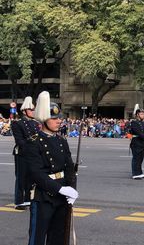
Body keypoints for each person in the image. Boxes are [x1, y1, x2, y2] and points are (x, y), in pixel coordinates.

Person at [24, 91, 79, 245]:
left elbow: (69, 169)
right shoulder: (34, 142)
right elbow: (36, 173)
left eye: (59, 117)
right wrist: (60, 189)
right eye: (54, 118)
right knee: (38, 238)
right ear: (44, 120)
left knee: (59, 238)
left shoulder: (62, 141)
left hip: (62, 195)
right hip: (43, 196)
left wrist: (71, 189)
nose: (58, 121)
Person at [12, 96, 40, 210]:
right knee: (21, 177)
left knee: (31, 177)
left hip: (32, 154)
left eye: (34, 109)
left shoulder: (35, 123)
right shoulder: (17, 123)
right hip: (22, 154)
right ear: (24, 111)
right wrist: (32, 141)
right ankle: (19, 201)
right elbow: (20, 141)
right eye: (31, 109)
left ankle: (28, 199)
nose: (33, 111)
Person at [129, 104, 144, 179]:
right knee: (136, 158)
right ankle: (135, 173)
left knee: (141, 158)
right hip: (136, 142)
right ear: (137, 115)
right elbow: (138, 133)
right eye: (141, 114)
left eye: (143, 114)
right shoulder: (134, 122)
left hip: (142, 143)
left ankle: (139, 172)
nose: (143, 115)